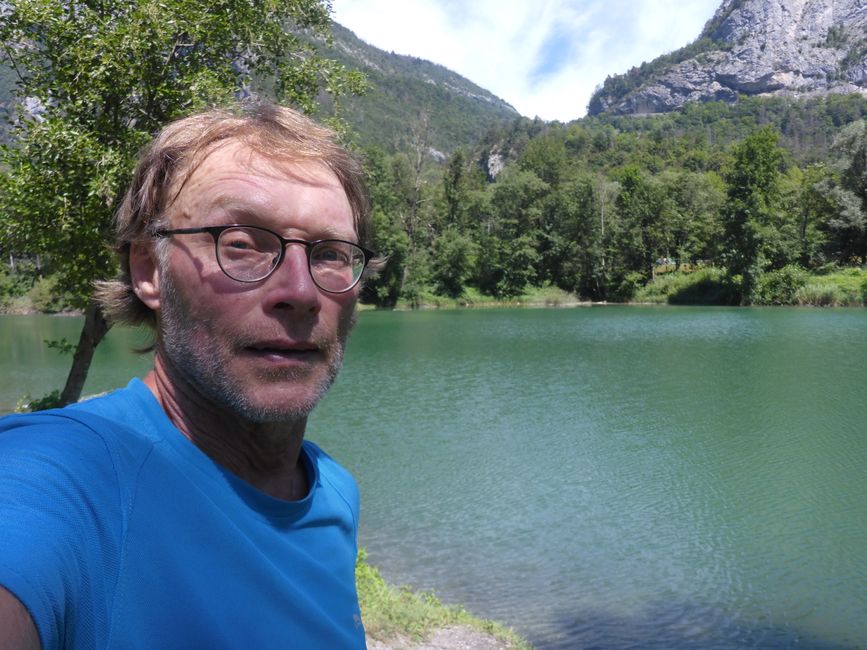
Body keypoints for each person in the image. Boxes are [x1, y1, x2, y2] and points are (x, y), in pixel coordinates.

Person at [0, 103, 381, 648]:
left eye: (330, 253)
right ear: (148, 271)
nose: (300, 292)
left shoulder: (333, 494)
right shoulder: (69, 476)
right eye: (242, 244)